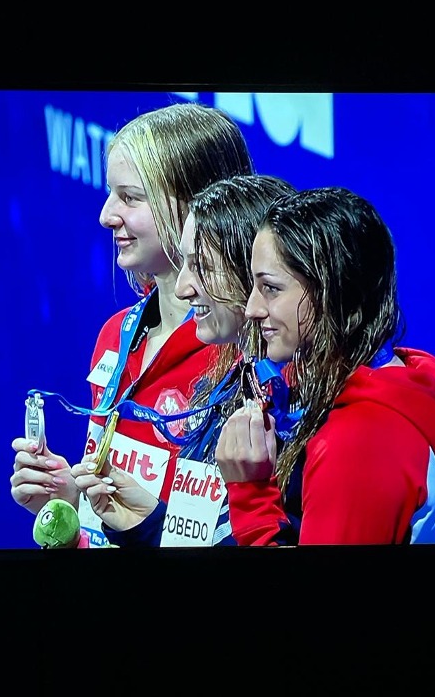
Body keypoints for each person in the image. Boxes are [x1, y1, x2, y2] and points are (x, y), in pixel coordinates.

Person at [10, 102, 255, 547]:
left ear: (198, 205)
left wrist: (144, 526)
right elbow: (118, 525)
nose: (106, 215)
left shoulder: (248, 356)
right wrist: (72, 502)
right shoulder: (115, 335)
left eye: (130, 197)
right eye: (111, 193)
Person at [215, 186, 435, 545]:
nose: (252, 309)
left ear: (333, 290)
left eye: (271, 288)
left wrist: (252, 497)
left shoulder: (359, 443)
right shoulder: (400, 384)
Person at [70, 173, 297, 546]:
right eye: (184, 263)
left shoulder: (303, 416)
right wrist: (146, 523)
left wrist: (252, 494)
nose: (181, 288)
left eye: (201, 266)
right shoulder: (227, 388)